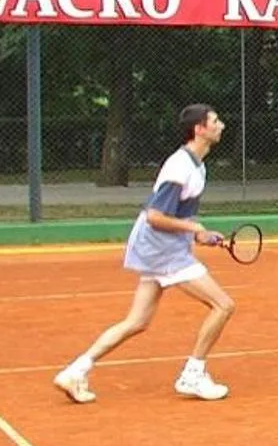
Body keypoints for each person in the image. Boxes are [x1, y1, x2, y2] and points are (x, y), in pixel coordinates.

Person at [54, 103, 238, 403]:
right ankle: (193, 374)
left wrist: (198, 234)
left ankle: (76, 371)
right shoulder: (180, 167)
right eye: (215, 121)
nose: (221, 126)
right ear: (199, 129)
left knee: (137, 321)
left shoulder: (197, 165)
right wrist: (195, 229)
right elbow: (155, 216)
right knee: (223, 305)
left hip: (160, 245)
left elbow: (177, 215)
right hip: (160, 247)